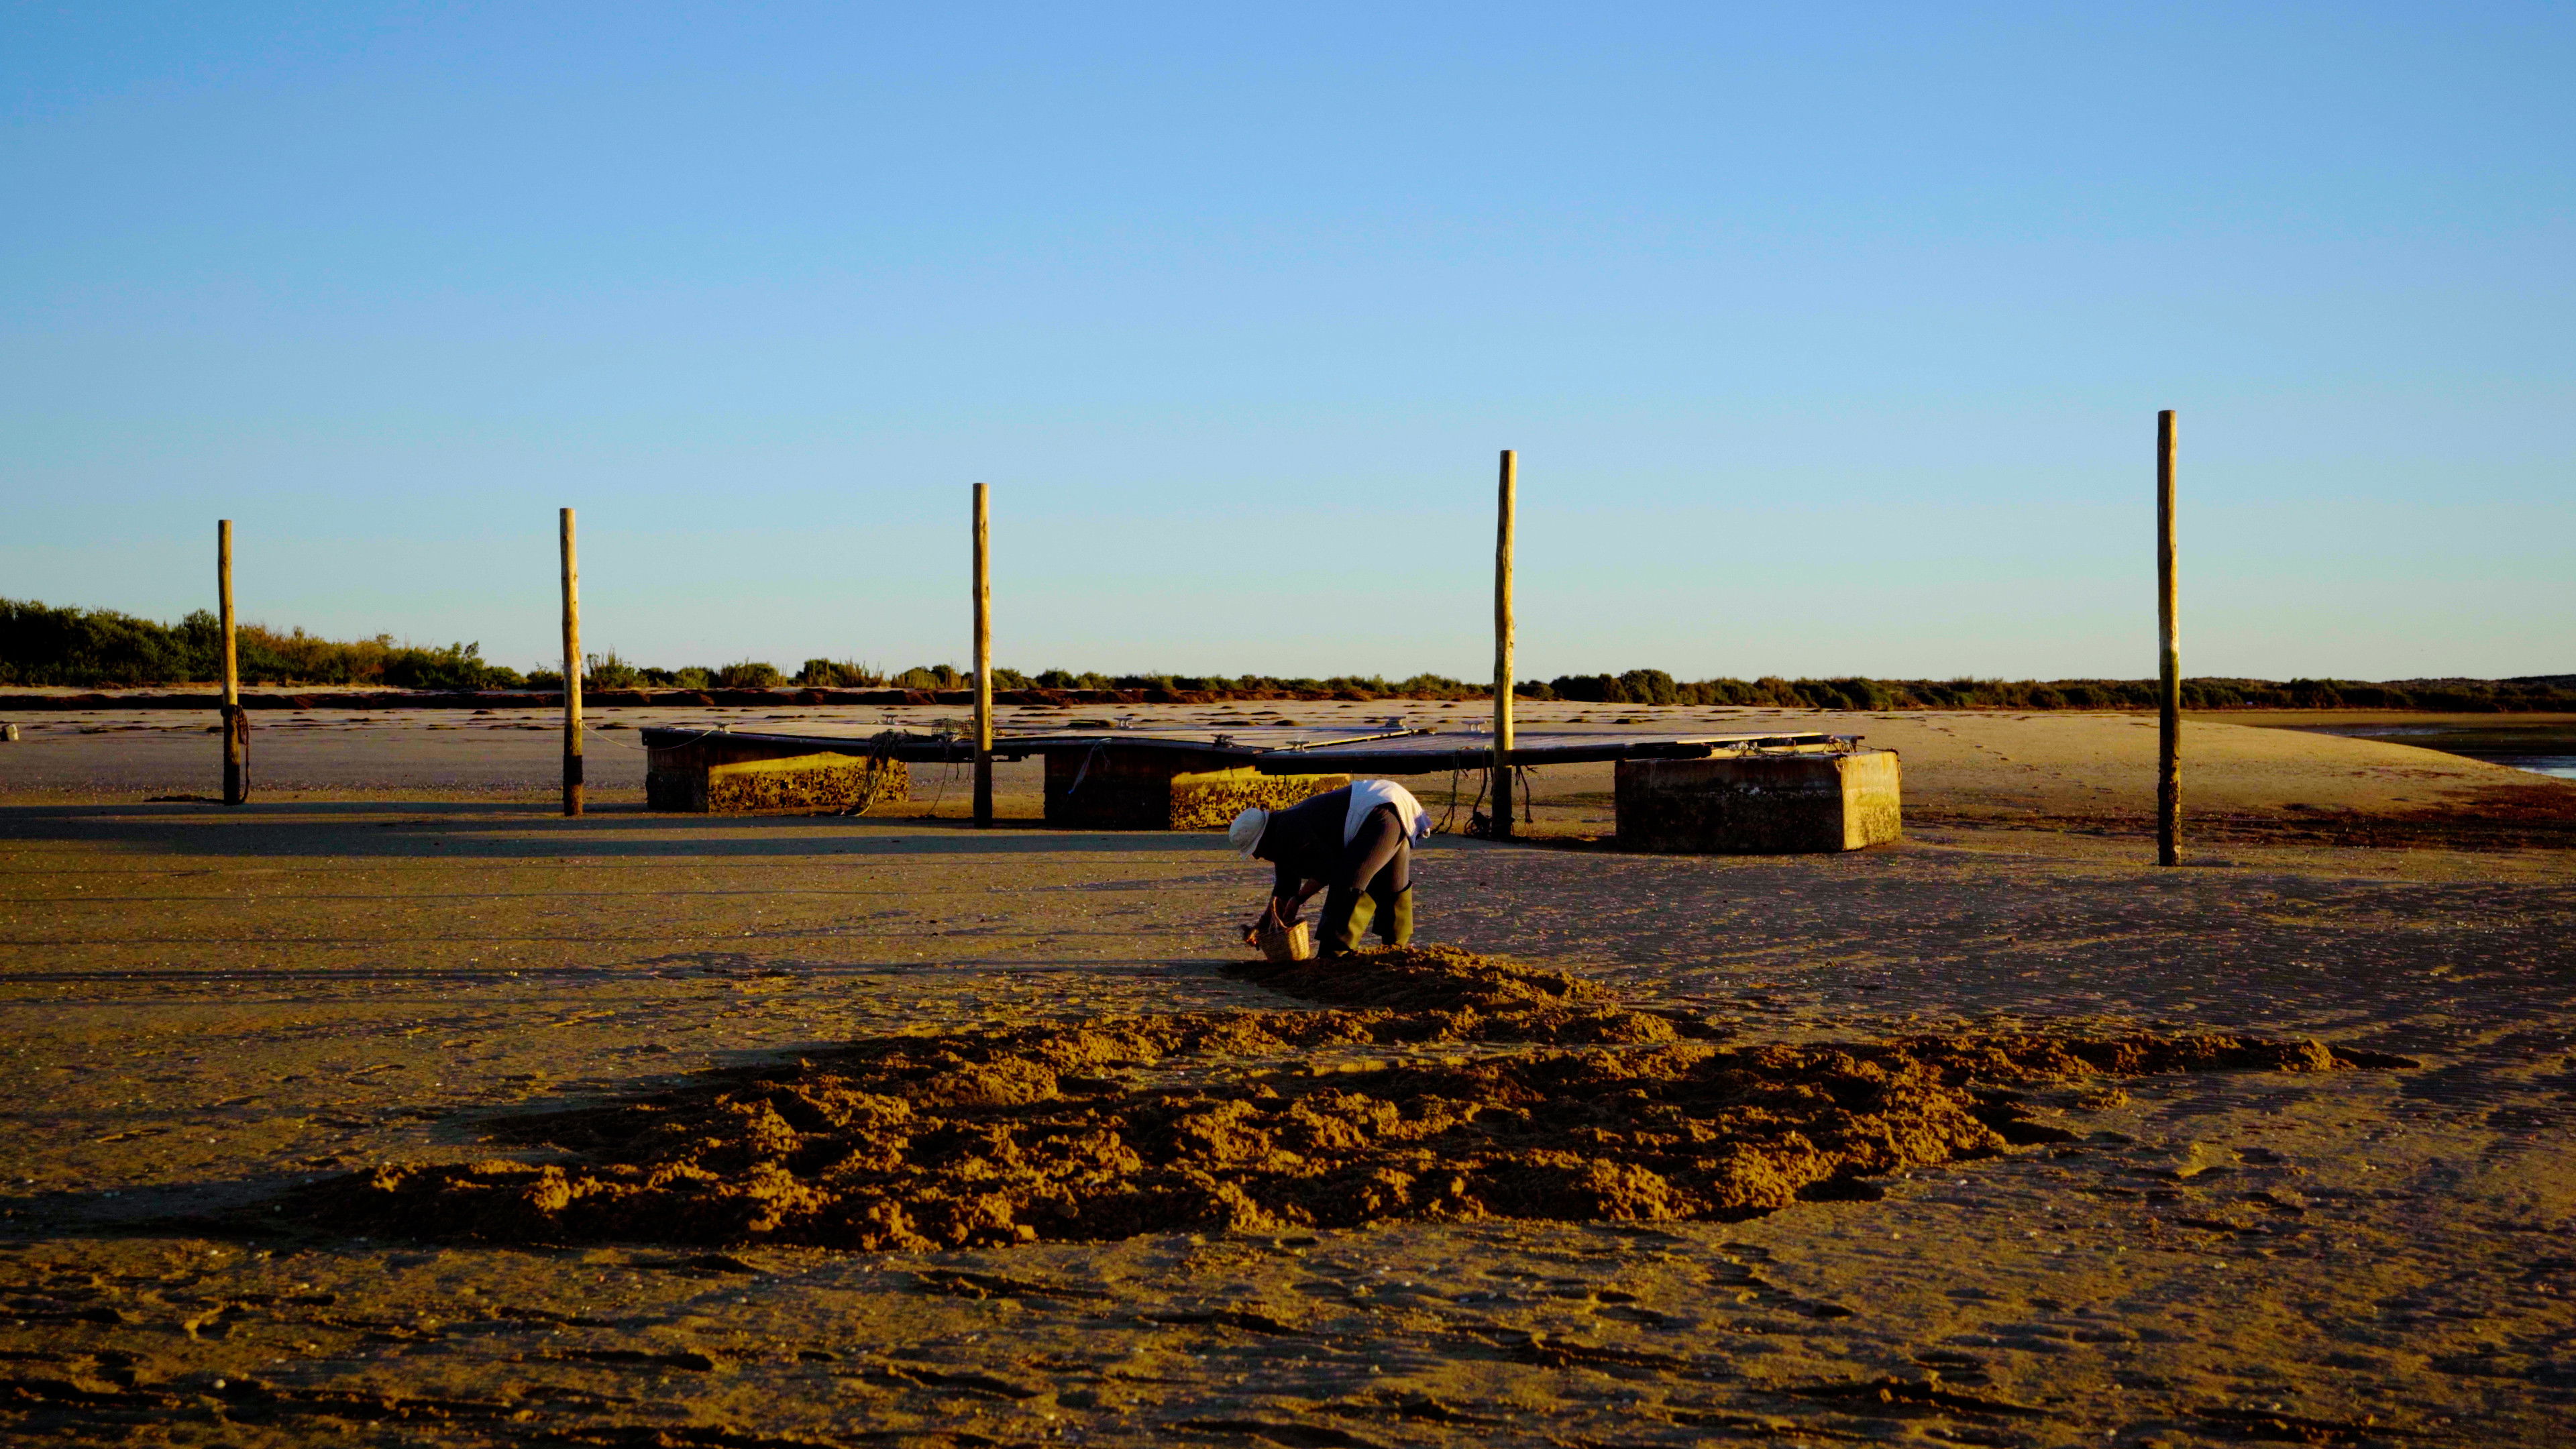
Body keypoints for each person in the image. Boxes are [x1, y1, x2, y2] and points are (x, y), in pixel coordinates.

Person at [1230, 780, 1431, 955]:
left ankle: (1334, 954)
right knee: (1388, 884)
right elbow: (1284, 888)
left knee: (1349, 883)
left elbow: (1329, 870)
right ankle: (1395, 950)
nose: (1256, 856)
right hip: (1389, 801)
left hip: (1380, 812)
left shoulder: (1288, 831)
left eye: (1255, 849)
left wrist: (1299, 899)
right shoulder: (1281, 827)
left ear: (1263, 838)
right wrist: (1263, 925)